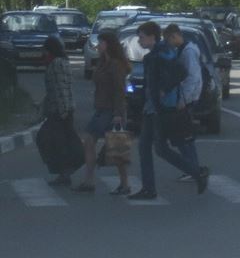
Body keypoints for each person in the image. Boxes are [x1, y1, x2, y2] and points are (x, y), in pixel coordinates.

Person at [131, 22, 208, 200]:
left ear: (152, 37)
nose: (139, 40)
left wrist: (163, 90)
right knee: (158, 148)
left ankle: (151, 188)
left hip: (159, 108)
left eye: (142, 37)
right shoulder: (161, 52)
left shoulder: (159, 54)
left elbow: (180, 72)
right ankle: (195, 173)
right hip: (156, 107)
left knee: (151, 148)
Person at [73, 32, 131, 194]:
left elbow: (120, 90)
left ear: (108, 45)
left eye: (101, 43)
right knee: (91, 141)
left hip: (112, 111)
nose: (98, 46)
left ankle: (124, 184)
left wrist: (118, 113)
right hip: (101, 109)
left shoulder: (115, 65)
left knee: (116, 147)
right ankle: (89, 180)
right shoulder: (102, 63)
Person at [41, 36, 77, 186]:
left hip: (61, 110)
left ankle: (64, 173)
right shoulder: (62, 62)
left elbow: (61, 89)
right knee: (60, 142)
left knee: (54, 142)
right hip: (63, 109)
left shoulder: (56, 64)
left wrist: (63, 111)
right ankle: (64, 173)